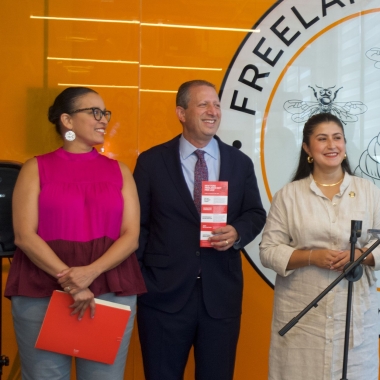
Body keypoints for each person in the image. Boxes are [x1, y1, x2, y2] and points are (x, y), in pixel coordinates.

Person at [5, 87, 146, 379]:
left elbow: (131, 237)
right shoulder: (35, 168)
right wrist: (72, 282)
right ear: (67, 121)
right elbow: (24, 236)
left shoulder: (120, 171)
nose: (103, 119)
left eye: (105, 113)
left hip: (110, 289)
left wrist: (89, 273)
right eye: (94, 112)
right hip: (40, 290)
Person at [133, 80, 266, 380]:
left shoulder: (239, 163)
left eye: (217, 105)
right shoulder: (152, 162)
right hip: (162, 297)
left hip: (220, 296)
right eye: (203, 104)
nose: (213, 111)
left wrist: (237, 232)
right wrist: (141, 279)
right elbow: (137, 225)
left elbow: (255, 213)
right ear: (181, 112)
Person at [259, 112, 380, 380]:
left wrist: (361, 255)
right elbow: (268, 251)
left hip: (354, 317)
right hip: (302, 313)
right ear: (308, 148)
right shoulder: (288, 195)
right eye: (322, 139)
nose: (331, 145)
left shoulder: (369, 192)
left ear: (345, 145)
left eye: (337, 138)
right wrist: (312, 257)